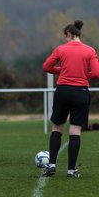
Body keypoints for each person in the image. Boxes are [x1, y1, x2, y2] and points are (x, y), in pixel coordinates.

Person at [42, 20, 99, 178]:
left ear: (69, 34)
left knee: (57, 128)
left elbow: (46, 67)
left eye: (65, 36)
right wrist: (80, 74)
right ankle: (71, 170)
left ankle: (51, 164)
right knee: (75, 130)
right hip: (80, 92)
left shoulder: (61, 49)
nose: (65, 39)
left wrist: (62, 70)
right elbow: (95, 73)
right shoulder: (90, 51)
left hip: (63, 91)